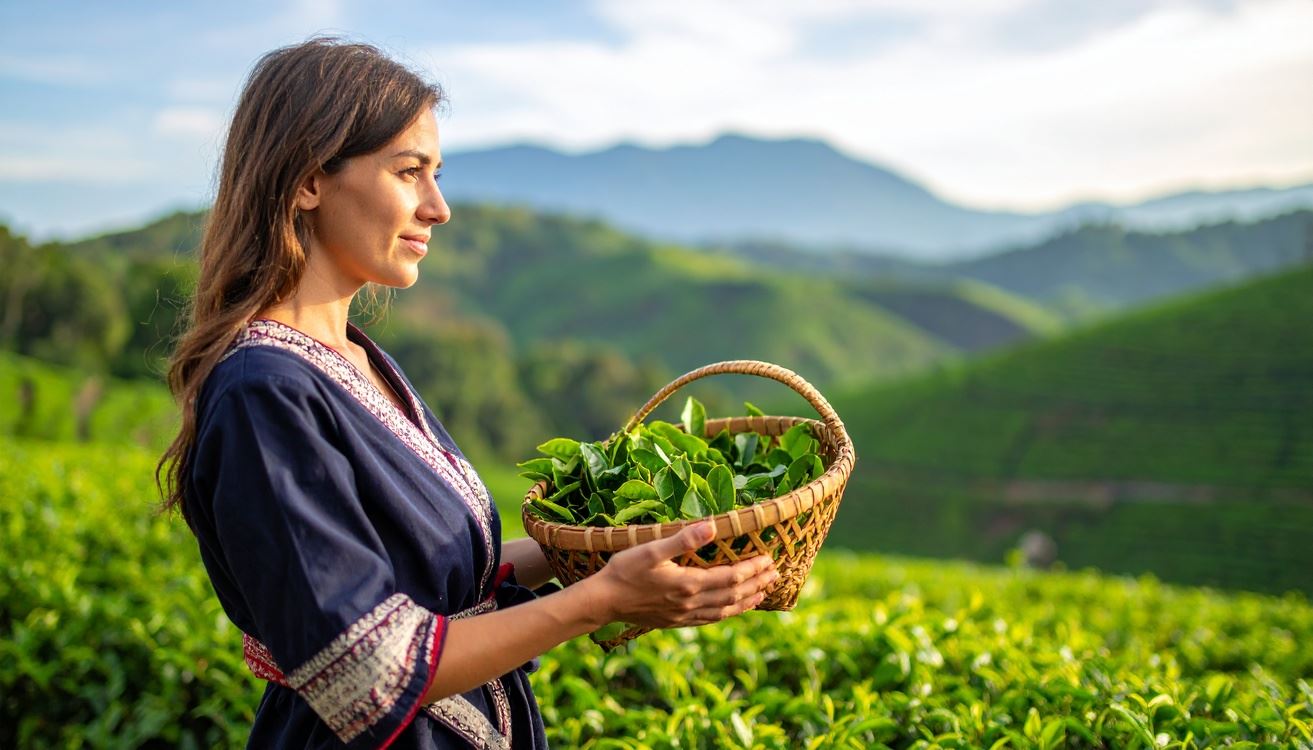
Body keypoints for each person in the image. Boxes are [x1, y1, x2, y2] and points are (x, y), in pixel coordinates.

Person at [158, 37, 778, 749]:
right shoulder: (264, 391)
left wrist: (614, 548)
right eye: (409, 172)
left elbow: (448, 579)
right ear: (307, 181)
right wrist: (600, 600)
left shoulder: (357, 360)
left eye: (438, 174)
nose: (438, 207)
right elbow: (364, 670)